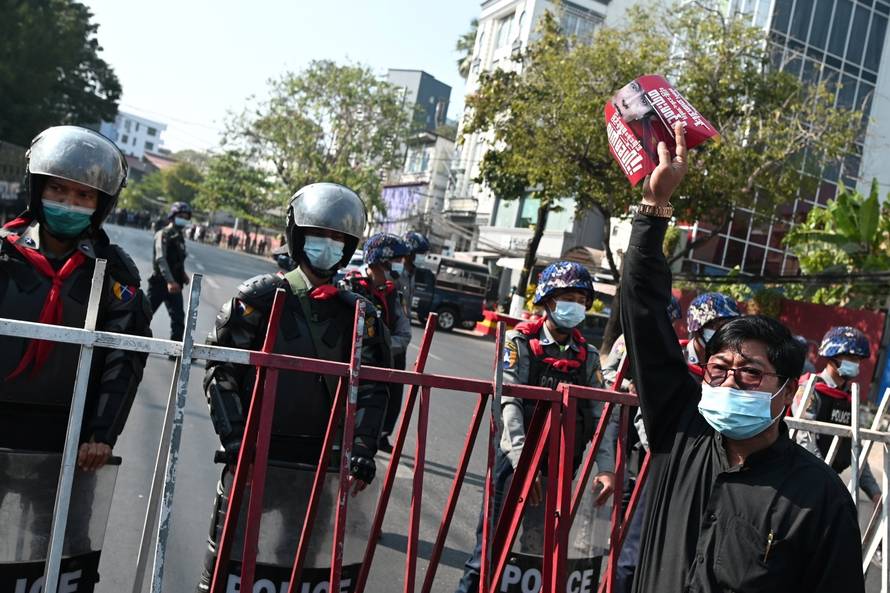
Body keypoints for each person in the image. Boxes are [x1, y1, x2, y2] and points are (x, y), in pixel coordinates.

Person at [621, 122, 863, 593]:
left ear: (786, 391)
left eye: (750, 373)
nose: (730, 383)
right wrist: (654, 207)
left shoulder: (820, 498)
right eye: (719, 370)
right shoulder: (682, 431)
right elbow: (642, 312)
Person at [197, 182, 391, 591]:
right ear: (297, 236)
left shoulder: (361, 313)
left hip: (323, 463)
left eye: (339, 239)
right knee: (225, 566)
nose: (328, 246)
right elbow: (221, 369)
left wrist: (361, 450)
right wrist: (236, 442)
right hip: (256, 454)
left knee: (301, 566)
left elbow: (374, 387)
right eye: (318, 236)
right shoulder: (260, 297)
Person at [0, 126, 152, 565]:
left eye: (84, 196)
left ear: (101, 205)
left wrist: (102, 434)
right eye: (58, 189)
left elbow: (123, 357)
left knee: (59, 553)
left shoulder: (115, 272)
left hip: (69, 435)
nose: (69, 204)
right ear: (37, 188)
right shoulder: (3, 255)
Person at [455, 261, 617, 593]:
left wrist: (606, 466)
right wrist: (521, 465)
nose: (576, 304)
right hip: (515, 465)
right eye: (567, 296)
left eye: (581, 298)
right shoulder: (521, 343)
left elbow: (600, 414)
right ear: (547, 300)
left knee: (533, 559)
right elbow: (509, 403)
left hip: (559, 470)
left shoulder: (586, 356)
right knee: (487, 556)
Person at [341, 232, 413, 453]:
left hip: (384, 360)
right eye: (395, 262)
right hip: (352, 362)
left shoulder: (393, 294)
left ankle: (378, 435)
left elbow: (405, 332)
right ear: (380, 262)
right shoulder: (351, 286)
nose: (399, 267)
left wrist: (382, 345)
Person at [793, 326, 881, 504]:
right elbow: (804, 439)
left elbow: (855, 447)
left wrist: (874, 492)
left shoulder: (849, 398)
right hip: (801, 480)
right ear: (832, 356)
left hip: (828, 484)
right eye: (849, 357)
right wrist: (826, 479)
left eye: (857, 359)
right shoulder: (810, 389)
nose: (854, 363)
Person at [149, 201, 191, 341]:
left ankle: (176, 350)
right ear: (173, 216)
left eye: (186, 217)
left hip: (175, 284)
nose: (183, 219)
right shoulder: (163, 234)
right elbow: (161, 258)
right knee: (145, 314)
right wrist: (170, 281)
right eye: (181, 216)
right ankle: (127, 343)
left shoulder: (179, 236)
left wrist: (183, 274)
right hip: (161, 282)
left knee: (178, 317)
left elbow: (178, 259)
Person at [684, 291, 741, 368]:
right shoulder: (676, 360)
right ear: (696, 327)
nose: (725, 329)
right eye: (713, 324)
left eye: (730, 324)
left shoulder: (736, 363)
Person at [399, 230, 431, 315]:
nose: (423, 257)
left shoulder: (411, 274)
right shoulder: (396, 274)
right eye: (420, 253)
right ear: (409, 253)